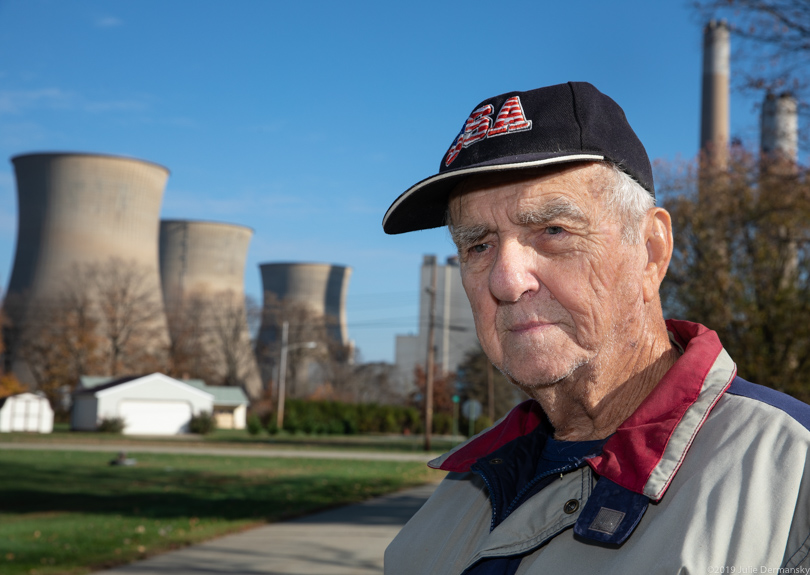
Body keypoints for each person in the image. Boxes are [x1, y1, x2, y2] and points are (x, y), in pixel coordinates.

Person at [381, 82, 810, 573]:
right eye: (478, 244)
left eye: (553, 231)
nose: (505, 280)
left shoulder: (793, 478)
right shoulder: (460, 492)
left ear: (651, 250)